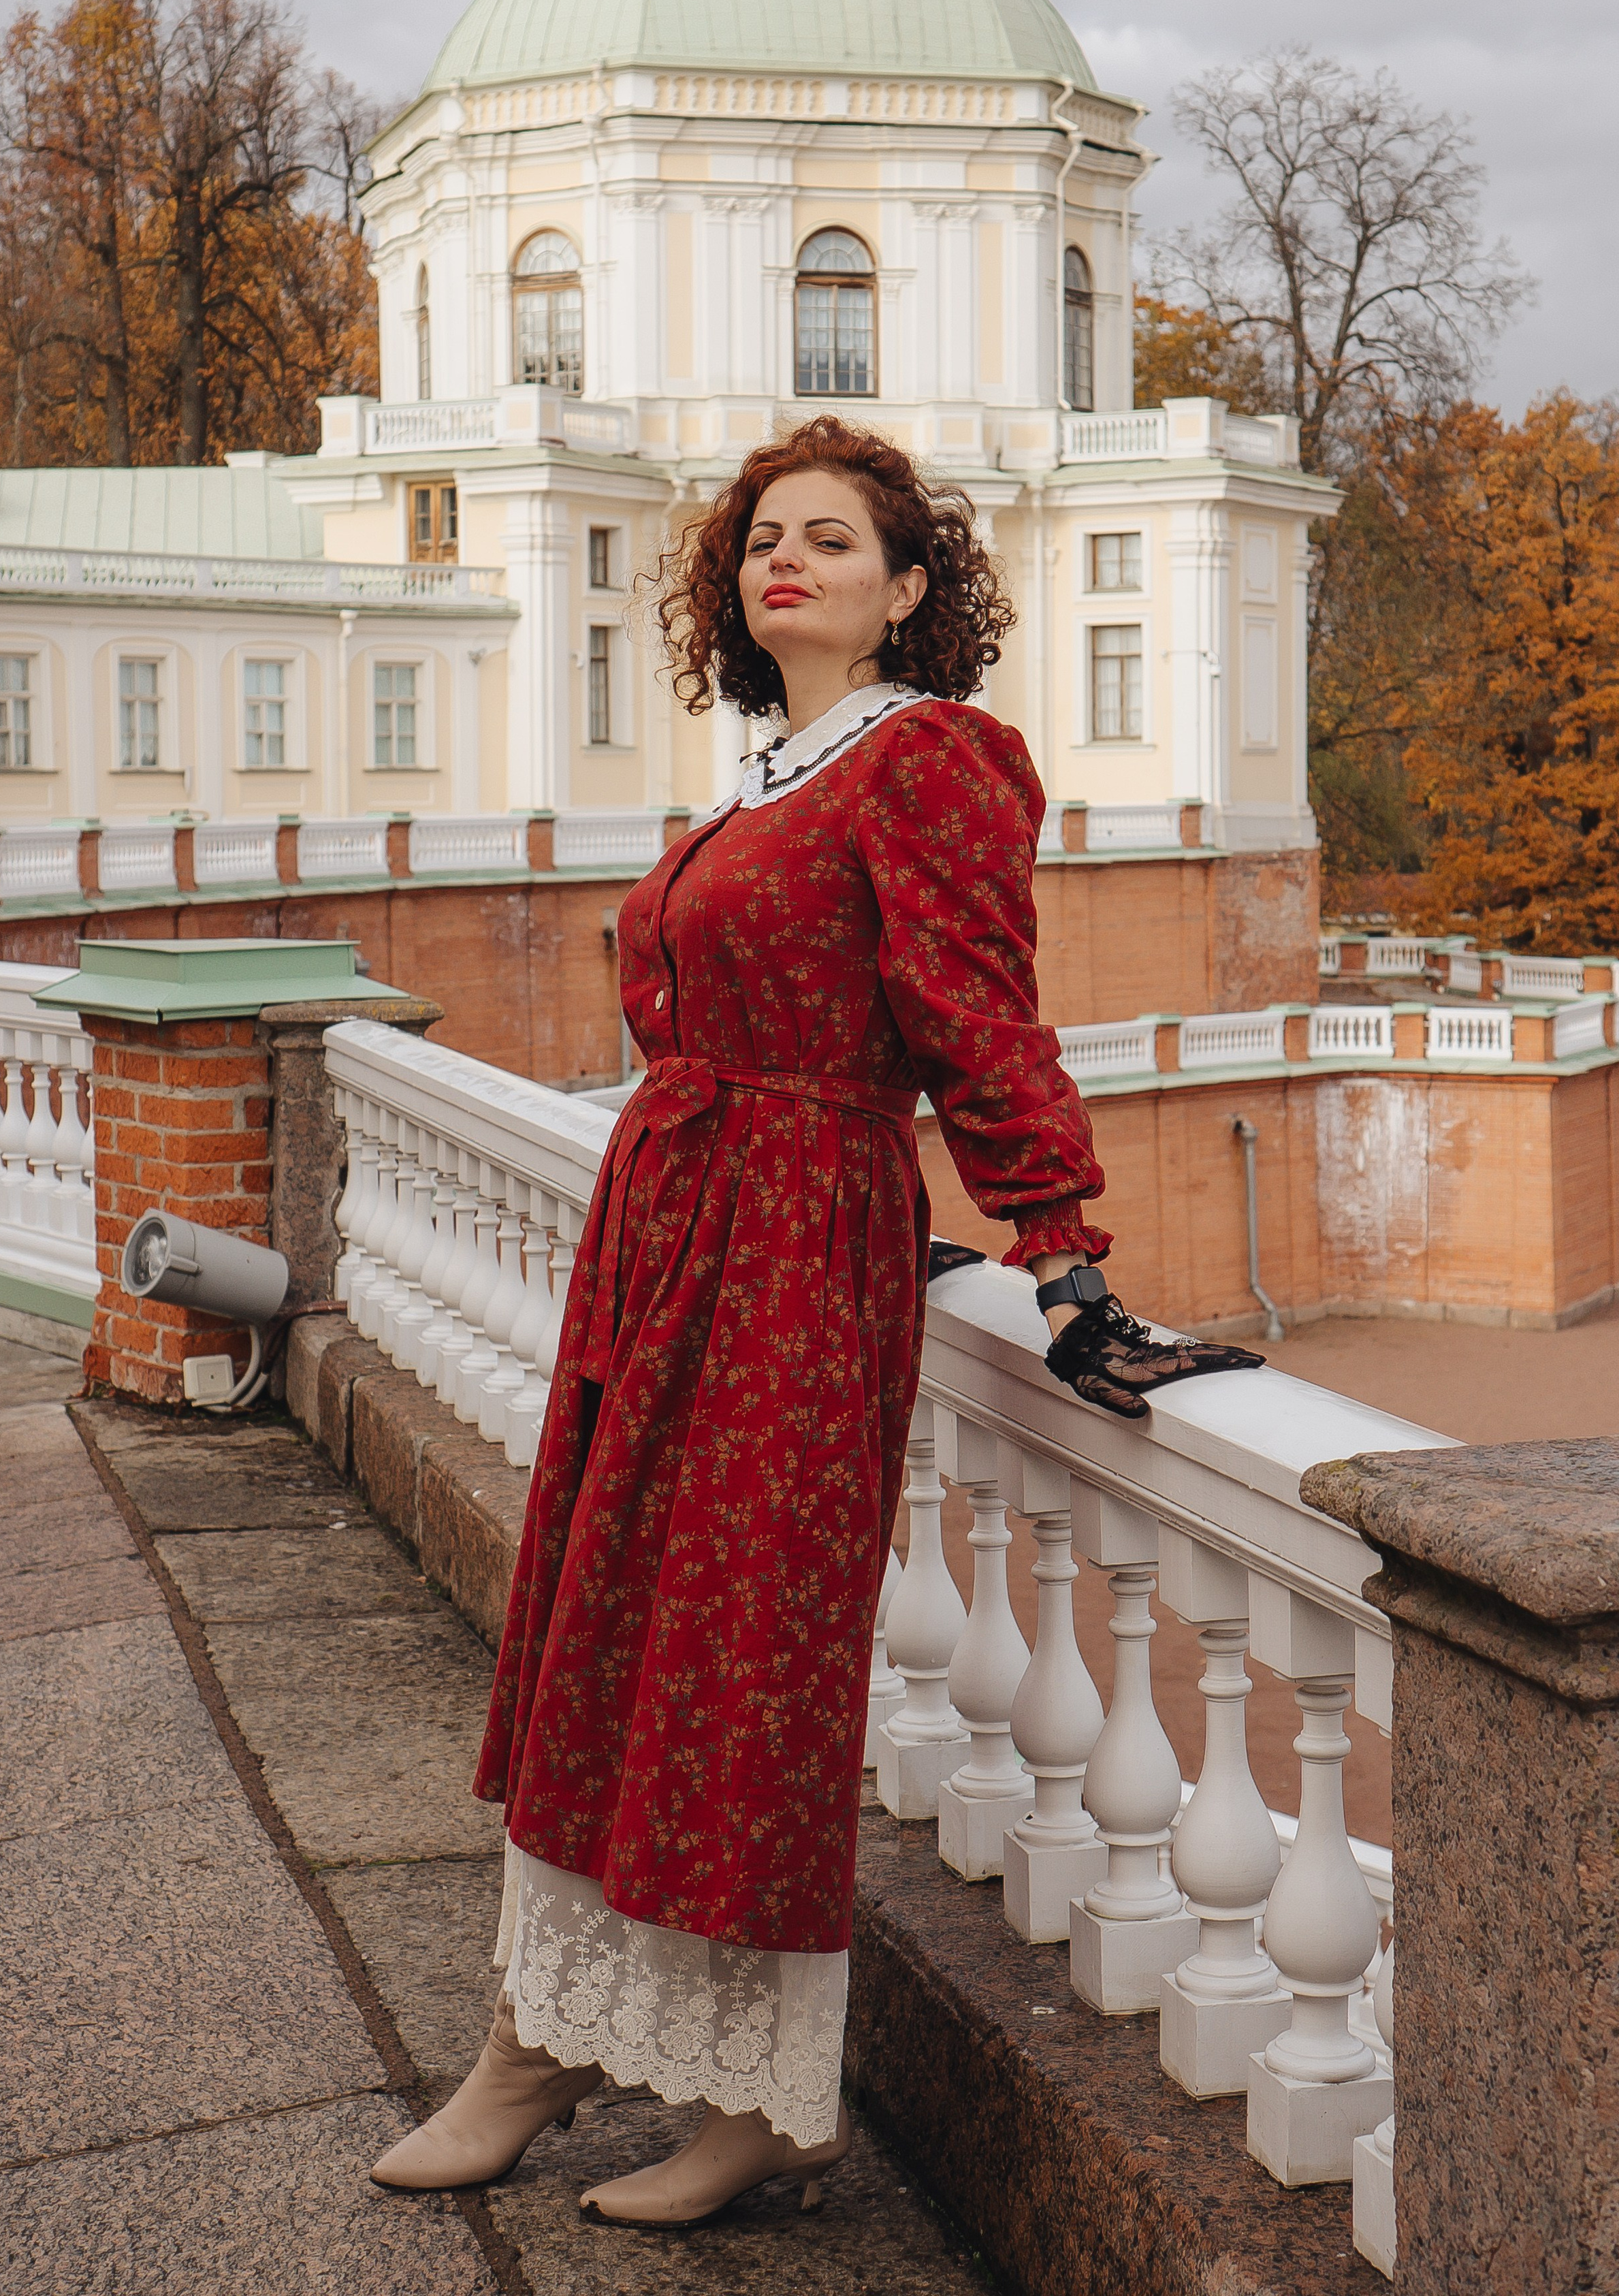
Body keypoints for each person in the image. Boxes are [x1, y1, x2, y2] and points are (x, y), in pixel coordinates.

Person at [372, 415, 1260, 2225]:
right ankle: (539, 2035)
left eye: (837, 540)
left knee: (743, 1660)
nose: (791, 559)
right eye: (767, 537)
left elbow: (977, 1012)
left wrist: (1061, 1254)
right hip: (678, 1236)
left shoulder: (927, 758)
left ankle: (764, 2096)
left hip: (791, 1255)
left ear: (910, 588)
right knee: (609, 1633)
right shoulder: (770, 776)